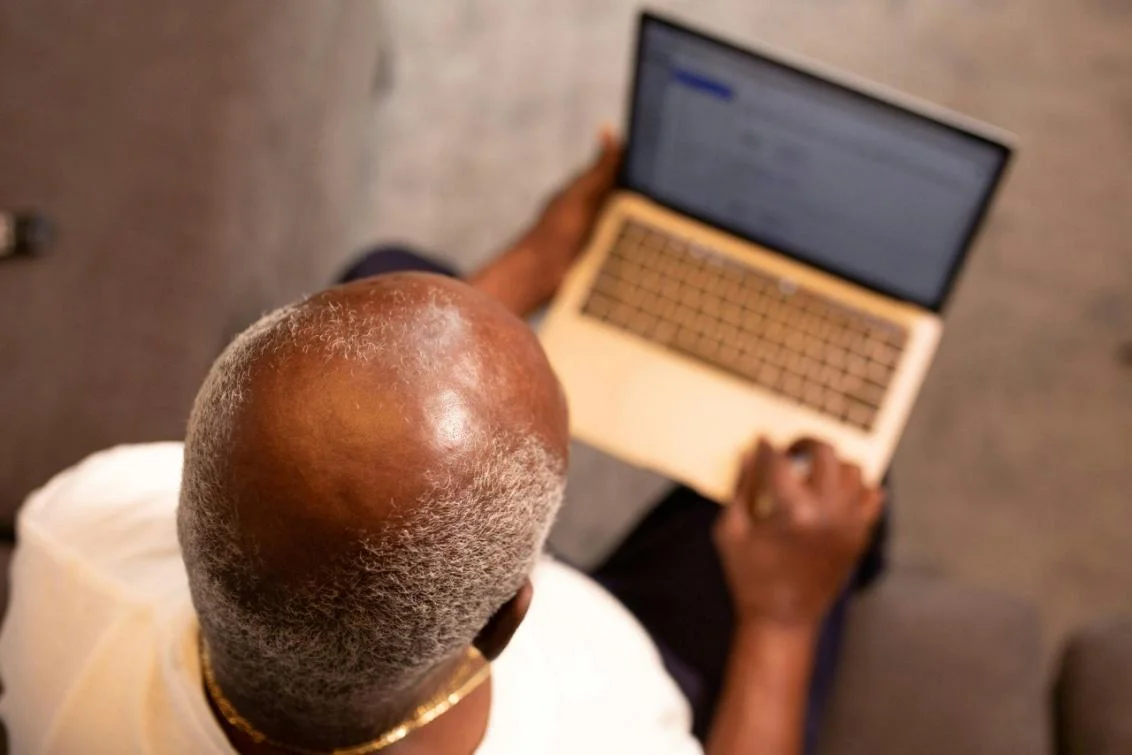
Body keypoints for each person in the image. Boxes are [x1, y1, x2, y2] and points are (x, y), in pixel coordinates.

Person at [0, 130, 883, 755]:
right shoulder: (611, 732)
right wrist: (781, 615)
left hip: (419, 609)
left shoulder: (73, 527)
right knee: (829, 481)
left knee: (384, 272)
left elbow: (315, 460)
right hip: (646, 646)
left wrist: (532, 266)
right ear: (505, 621)